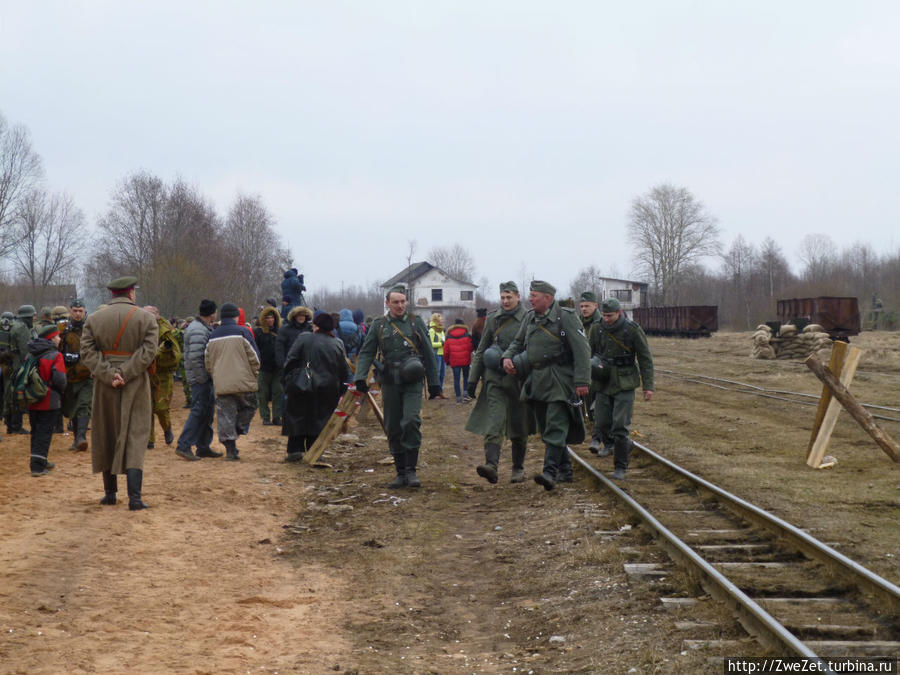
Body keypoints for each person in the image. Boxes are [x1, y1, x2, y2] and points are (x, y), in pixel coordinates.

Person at [502, 280, 590, 491]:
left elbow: (582, 350)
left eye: (534, 296)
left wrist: (582, 381)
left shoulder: (565, 317)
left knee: (555, 424)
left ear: (547, 298)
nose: (530, 299)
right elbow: (517, 342)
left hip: (560, 379)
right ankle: (566, 470)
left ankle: (550, 472)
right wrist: (507, 357)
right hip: (537, 379)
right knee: (545, 425)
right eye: (530, 295)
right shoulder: (530, 318)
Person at [80, 276, 159, 510]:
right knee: (135, 433)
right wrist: (125, 372)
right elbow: (149, 351)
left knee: (106, 432)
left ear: (112, 294)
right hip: (135, 382)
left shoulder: (94, 319)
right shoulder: (146, 318)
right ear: (131, 293)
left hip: (105, 385)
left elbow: (87, 352)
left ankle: (110, 494)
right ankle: (135, 498)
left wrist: (108, 374)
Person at [354, 285, 440, 488]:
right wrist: (360, 377)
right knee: (392, 426)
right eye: (396, 302)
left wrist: (435, 383)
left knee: (410, 420)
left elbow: (428, 352)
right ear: (388, 303)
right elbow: (367, 352)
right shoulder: (379, 325)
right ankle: (400, 472)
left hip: (413, 380)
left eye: (403, 302)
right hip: (390, 381)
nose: (400, 305)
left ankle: (411, 471)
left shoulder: (415, 322)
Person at [466, 282, 532, 483]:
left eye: (509, 297)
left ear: (518, 297)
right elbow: (481, 350)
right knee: (494, 421)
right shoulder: (493, 319)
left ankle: (518, 468)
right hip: (494, 379)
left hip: (519, 379)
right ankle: (491, 465)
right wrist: (472, 380)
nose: (505, 301)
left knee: (519, 424)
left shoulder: (528, 319)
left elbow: (534, 348)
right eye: (502, 297)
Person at [588, 297, 654, 480]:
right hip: (602, 381)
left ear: (619, 313)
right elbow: (588, 353)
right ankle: (623, 444)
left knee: (620, 426)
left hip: (624, 382)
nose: (606, 319)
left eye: (610, 316)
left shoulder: (632, 330)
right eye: (604, 315)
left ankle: (620, 466)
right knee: (601, 422)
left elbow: (645, 358)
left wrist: (648, 386)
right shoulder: (596, 329)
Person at [282, 312, 351, 461]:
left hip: (301, 384)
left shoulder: (304, 338)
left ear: (316, 326)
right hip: (328, 388)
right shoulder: (337, 343)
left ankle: (294, 450)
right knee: (319, 420)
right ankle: (315, 452)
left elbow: (290, 360)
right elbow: (343, 369)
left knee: (298, 416)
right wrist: (342, 390)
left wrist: (290, 379)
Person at [205, 302, 260, 461]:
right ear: (236, 316)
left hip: (222, 382)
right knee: (250, 407)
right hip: (243, 381)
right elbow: (254, 357)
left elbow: (208, 361)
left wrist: (215, 375)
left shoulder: (212, 335)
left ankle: (230, 449)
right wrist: (254, 373)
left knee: (225, 414)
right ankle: (238, 429)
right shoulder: (243, 331)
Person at [175, 300, 221, 461]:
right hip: (200, 379)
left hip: (202, 378)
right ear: (212, 313)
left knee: (207, 412)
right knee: (199, 411)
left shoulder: (201, 328)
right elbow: (195, 358)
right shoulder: (198, 330)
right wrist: (202, 379)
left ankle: (203, 446)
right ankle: (184, 445)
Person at [26, 324, 67, 476]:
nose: (59, 338)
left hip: (31, 399)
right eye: (57, 336)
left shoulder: (30, 354)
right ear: (51, 338)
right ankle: (37, 467)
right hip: (49, 400)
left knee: (36, 431)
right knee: (44, 433)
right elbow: (60, 379)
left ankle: (40, 460)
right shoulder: (55, 355)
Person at [144, 306, 181, 449]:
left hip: (162, 375)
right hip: (144, 373)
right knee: (146, 407)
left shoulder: (166, 331)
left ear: (157, 316)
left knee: (161, 407)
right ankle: (149, 439)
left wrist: (160, 355)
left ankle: (167, 429)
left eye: (150, 315)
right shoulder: (138, 330)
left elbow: (176, 356)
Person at [59, 299, 93, 451]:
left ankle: (81, 437)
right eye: (75, 310)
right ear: (70, 311)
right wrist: (64, 356)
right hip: (69, 375)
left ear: (85, 311)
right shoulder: (63, 328)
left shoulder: (92, 328)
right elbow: (55, 348)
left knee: (84, 405)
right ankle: (76, 440)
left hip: (88, 374)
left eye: (81, 311)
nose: (78, 314)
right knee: (72, 408)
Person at [7, 305, 38, 434]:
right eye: (33, 316)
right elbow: (26, 351)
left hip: (11, 364)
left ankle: (12, 425)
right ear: (27, 317)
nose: (34, 318)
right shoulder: (22, 328)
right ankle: (16, 425)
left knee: (10, 394)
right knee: (18, 394)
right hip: (18, 365)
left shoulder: (15, 326)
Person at [254, 305, 283, 426]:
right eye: (267, 318)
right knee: (263, 394)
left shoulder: (281, 331)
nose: (270, 320)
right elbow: (254, 349)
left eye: (272, 318)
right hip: (263, 367)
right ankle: (265, 417)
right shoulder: (258, 332)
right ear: (263, 319)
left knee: (278, 392)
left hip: (278, 367)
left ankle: (277, 417)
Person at [443, 318, 473, 403]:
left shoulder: (448, 336)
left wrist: (447, 361)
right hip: (466, 360)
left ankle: (459, 398)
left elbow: (446, 351)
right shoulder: (467, 335)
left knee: (456, 379)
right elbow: (471, 348)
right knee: (466, 377)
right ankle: (466, 395)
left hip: (454, 361)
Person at [275, 305, 313, 372]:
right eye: (299, 315)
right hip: (290, 365)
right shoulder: (285, 329)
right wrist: (282, 364)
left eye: (303, 315)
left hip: (306, 365)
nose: (301, 317)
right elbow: (279, 348)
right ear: (294, 316)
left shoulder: (310, 329)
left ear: (306, 317)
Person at [428, 313, 446, 394]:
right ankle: (435, 392)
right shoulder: (432, 330)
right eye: (441, 319)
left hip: (443, 355)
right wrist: (441, 344)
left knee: (442, 374)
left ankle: (440, 391)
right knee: (437, 374)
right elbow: (430, 344)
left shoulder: (441, 330)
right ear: (436, 320)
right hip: (436, 355)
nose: (442, 321)